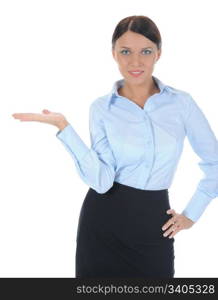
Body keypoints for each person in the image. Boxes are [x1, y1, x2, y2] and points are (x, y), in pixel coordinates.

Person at [12, 15, 218, 278]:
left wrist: (192, 214)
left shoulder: (181, 104)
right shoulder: (101, 108)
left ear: (159, 53)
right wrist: (64, 128)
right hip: (102, 222)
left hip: (154, 222)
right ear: (114, 54)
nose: (135, 61)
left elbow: (214, 163)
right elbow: (102, 180)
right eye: (125, 51)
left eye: (145, 51)